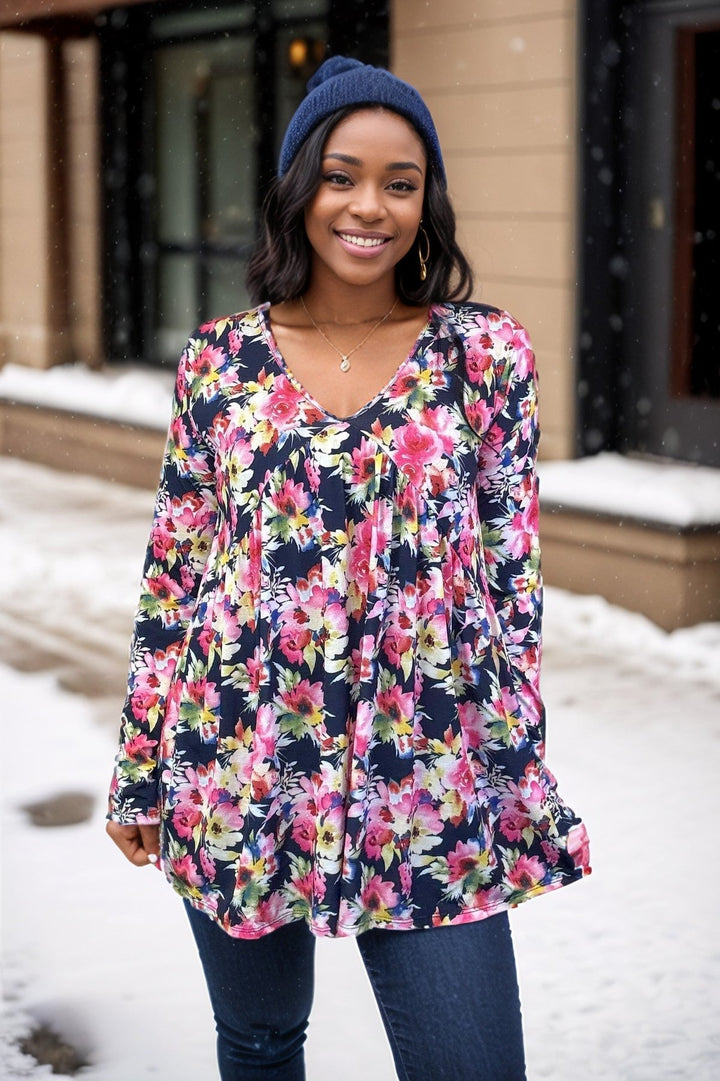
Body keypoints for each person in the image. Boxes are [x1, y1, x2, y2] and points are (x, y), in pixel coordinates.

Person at [106, 56, 590, 1081]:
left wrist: (515, 770)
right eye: (340, 174)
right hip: (239, 768)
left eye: (400, 181)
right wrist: (141, 771)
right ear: (298, 189)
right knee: (262, 1040)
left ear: (426, 202)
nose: (369, 205)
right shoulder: (218, 361)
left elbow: (509, 584)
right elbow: (175, 580)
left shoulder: (484, 356)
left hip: (429, 787)